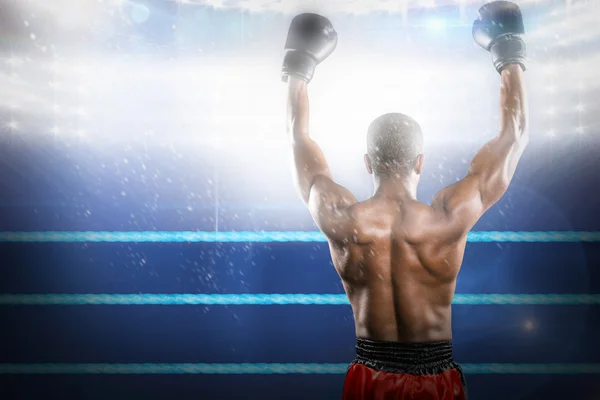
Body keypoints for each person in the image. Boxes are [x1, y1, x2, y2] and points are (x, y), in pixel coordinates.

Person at [281, 2, 528, 399]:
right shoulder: (448, 217)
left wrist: (299, 67)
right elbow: (514, 134)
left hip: (369, 379)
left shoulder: (342, 217)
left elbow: (297, 139)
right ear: (420, 162)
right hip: (437, 383)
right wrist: (508, 51)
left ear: (367, 163)